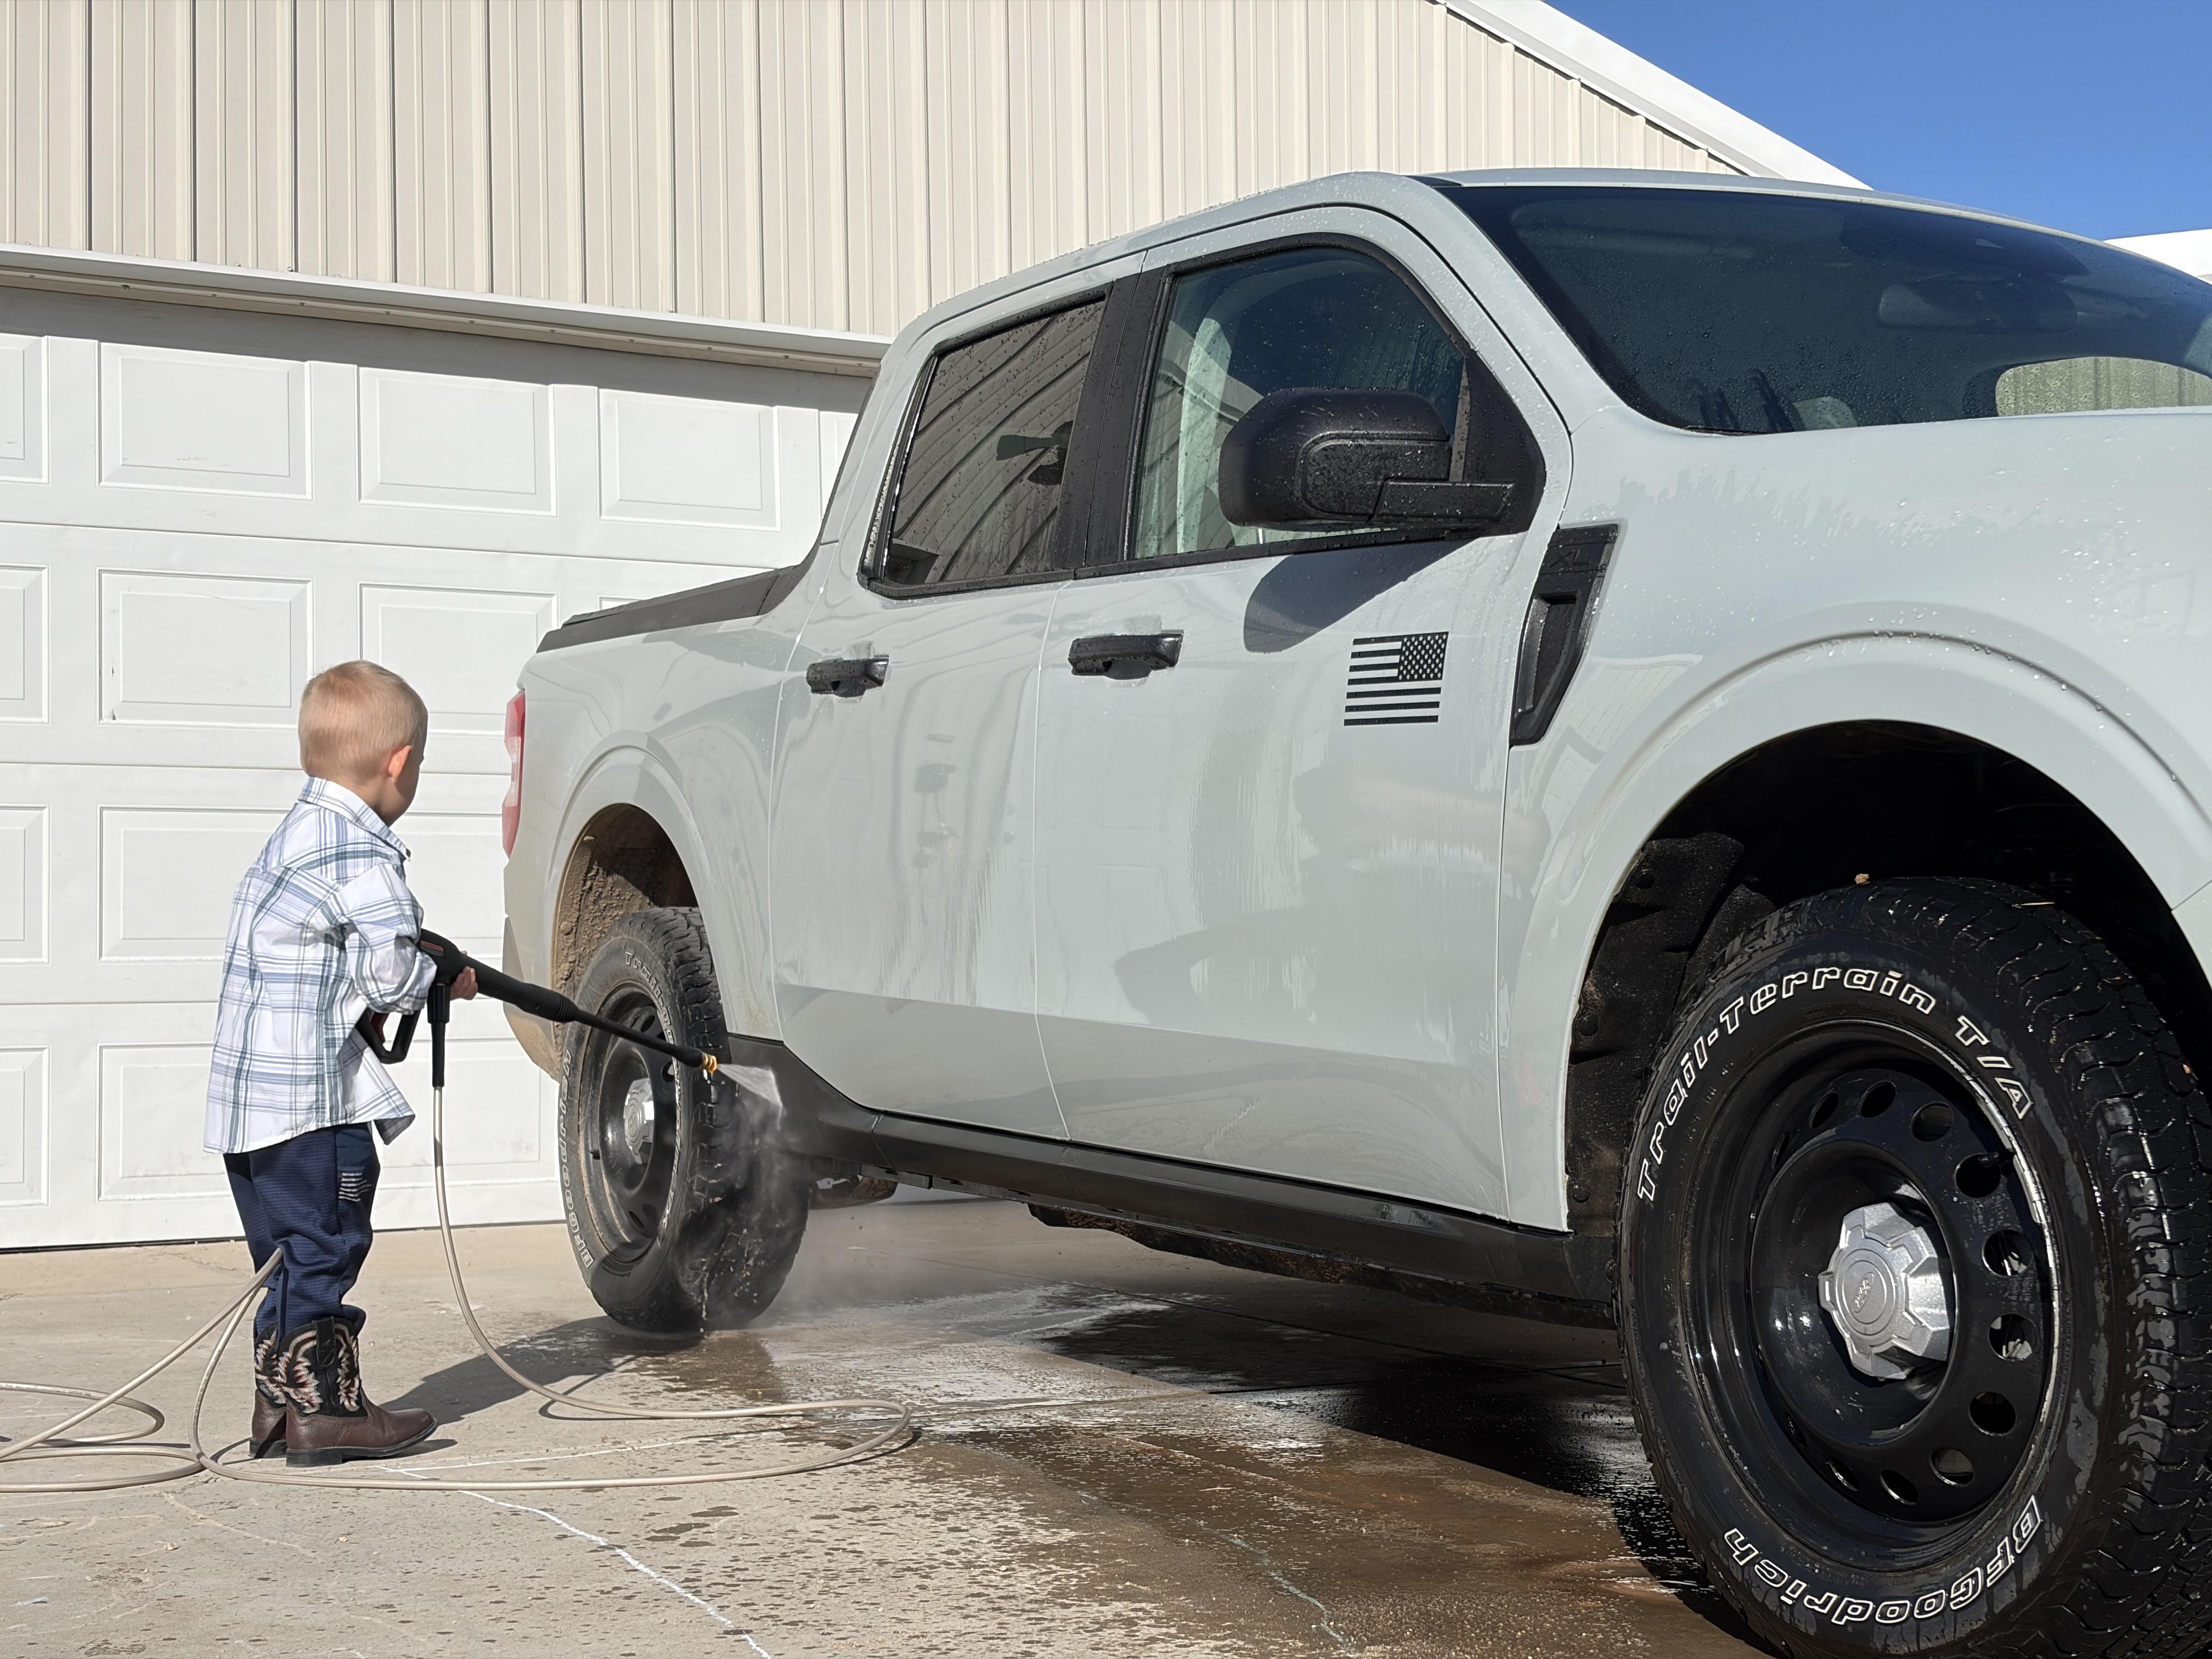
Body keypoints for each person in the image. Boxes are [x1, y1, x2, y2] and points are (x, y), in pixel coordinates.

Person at [204, 661, 477, 1468]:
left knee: (283, 1257)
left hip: (247, 1112)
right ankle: (327, 1414)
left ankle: (276, 1405)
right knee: (325, 1247)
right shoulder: (365, 851)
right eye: (418, 764)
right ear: (398, 762)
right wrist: (438, 974)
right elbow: (390, 977)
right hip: (312, 1104)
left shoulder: (293, 836)